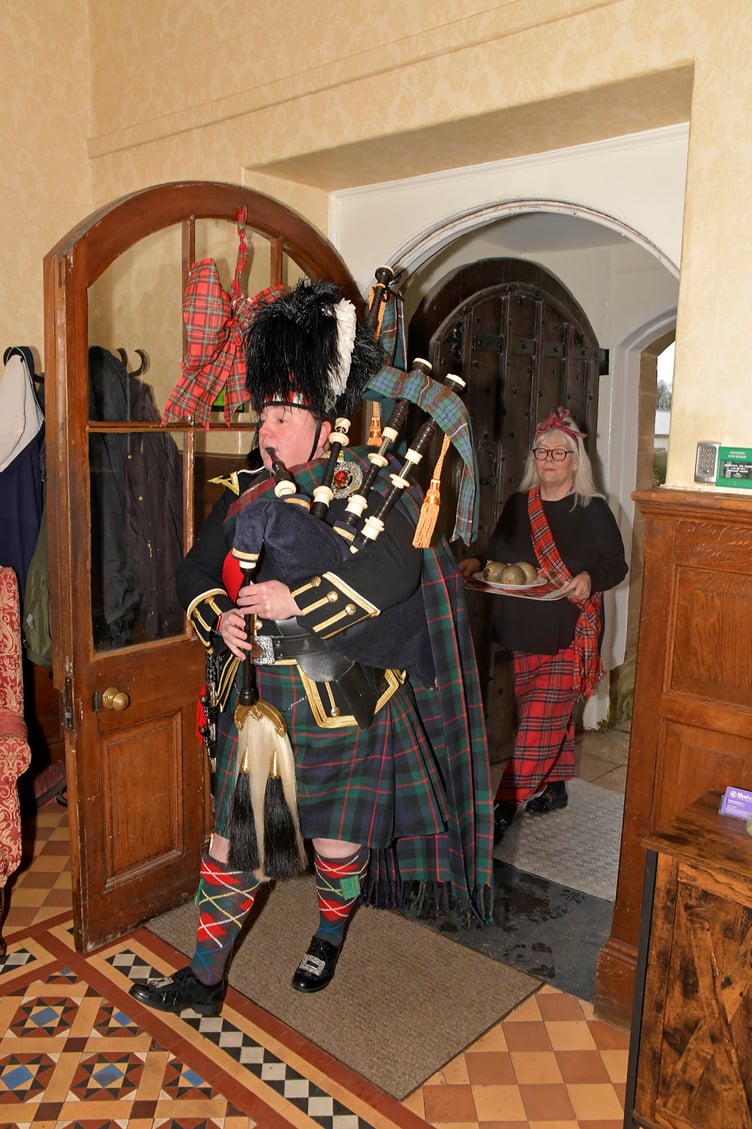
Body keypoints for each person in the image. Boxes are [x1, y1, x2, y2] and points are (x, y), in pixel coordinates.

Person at [129, 279, 493, 1017]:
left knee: (334, 846)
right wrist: (218, 614)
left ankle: (330, 929)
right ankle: (204, 979)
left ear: (324, 428)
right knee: (234, 845)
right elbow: (195, 570)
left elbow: (393, 571)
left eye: (288, 413)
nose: (270, 427)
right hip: (263, 701)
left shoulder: (366, 484)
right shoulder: (237, 491)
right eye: (266, 411)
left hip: (343, 699)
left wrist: (301, 599)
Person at [459, 406, 627, 841]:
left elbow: (617, 565)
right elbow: (496, 551)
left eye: (559, 452)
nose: (549, 460)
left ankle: (503, 805)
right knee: (544, 712)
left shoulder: (593, 509)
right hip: (522, 627)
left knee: (538, 718)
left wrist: (590, 579)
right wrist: (475, 561)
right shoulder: (520, 505)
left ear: (576, 460)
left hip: (569, 628)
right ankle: (555, 785)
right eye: (542, 452)